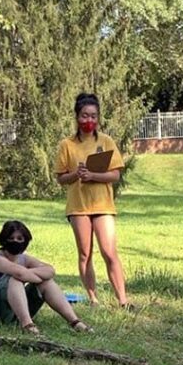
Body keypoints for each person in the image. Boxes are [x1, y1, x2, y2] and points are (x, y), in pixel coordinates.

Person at [55, 92, 128, 307]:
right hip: (78, 207)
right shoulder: (67, 145)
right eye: (85, 116)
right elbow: (61, 178)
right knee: (85, 253)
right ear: (77, 117)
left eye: (94, 116)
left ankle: (123, 300)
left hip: (103, 205)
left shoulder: (106, 141)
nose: (89, 121)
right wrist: (76, 175)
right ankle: (93, 298)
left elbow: (115, 175)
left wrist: (93, 175)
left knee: (109, 251)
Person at [0, 220, 91, 334]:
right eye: (11, 238)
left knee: (46, 282)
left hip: (13, 311)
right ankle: (27, 325)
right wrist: (37, 277)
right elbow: (20, 274)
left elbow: (50, 271)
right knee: (14, 279)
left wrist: (35, 277)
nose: (15, 241)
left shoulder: (24, 258)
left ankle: (75, 322)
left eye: (19, 238)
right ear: (4, 239)